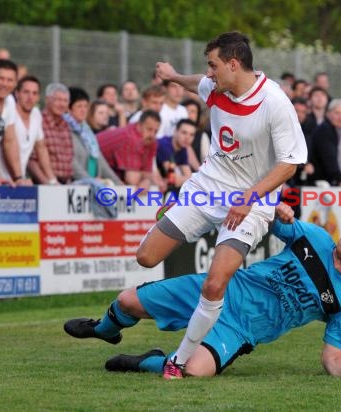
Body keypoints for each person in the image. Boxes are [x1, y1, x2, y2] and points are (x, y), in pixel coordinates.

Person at [138, 31, 307, 379]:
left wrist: (250, 197)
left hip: (252, 201)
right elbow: (195, 84)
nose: (209, 73)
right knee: (147, 257)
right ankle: (201, 310)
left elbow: (290, 163)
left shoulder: (274, 101)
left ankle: (179, 361)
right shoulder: (217, 88)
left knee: (215, 284)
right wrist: (171, 76)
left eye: (213, 66)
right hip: (207, 189)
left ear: (234, 64)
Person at [64, 204, 341, 380]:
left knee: (193, 371)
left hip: (240, 329)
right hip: (220, 286)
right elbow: (267, 217)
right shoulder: (314, 238)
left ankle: (145, 362)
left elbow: (332, 355)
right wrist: (279, 210)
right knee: (126, 301)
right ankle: (103, 329)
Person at [64, 87, 122, 185]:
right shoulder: (64, 129)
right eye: (79, 106)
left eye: (85, 106)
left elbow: (100, 160)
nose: (83, 110)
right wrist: (91, 181)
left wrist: (119, 184)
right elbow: (71, 163)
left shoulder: (87, 131)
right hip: (75, 187)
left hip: (94, 185)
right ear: (69, 108)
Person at [8, 75, 56, 184]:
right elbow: (8, 145)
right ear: (17, 93)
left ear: (39, 97)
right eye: (26, 92)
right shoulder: (10, 113)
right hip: (5, 179)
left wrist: (52, 180)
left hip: (20, 180)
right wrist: (18, 177)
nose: (30, 97)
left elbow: (41, 148)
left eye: (34, 93)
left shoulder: (36, 114)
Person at [96, 110, 160, 188]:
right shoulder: (130, 138)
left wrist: (147, 180)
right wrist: (147, 178)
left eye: (156, 131)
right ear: (139, 126)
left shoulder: (150, 141)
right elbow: (132, 180)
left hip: (107, 170)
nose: (152, 135)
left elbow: (148, 173)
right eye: (149, 129)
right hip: (89, 164)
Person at [28, 83, 73, 185]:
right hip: (44, 184)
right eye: (58, 100)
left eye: (65, 101)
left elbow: (69, 161)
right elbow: (32, 161)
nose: (61, 104)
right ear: (47, 99)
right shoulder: (38, 121)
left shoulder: (66, 125)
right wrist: (48, 183)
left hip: (65, 185)